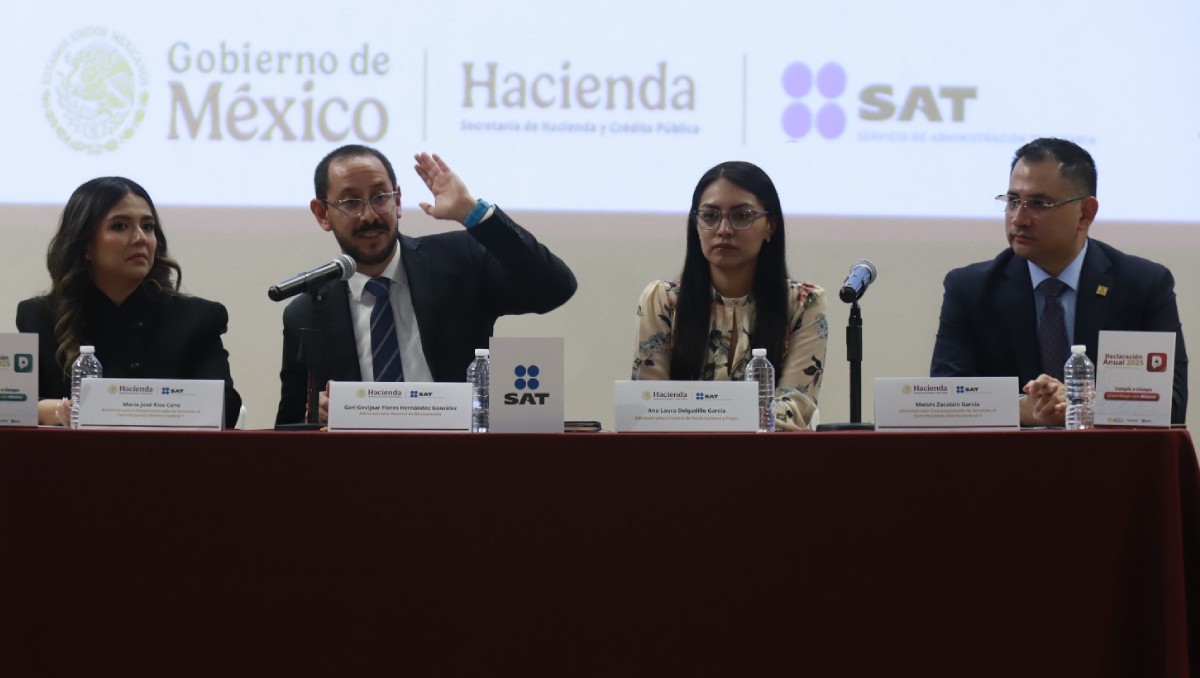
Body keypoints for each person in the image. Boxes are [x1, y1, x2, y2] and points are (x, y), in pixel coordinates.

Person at [275, 145, 577, 425]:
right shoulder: (307, 313)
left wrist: (475, 215)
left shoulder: (460, 261)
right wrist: (313, 416)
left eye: (381, 197)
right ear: (322, 214)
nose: (369, 215)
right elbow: (287, 429)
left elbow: (555, 288)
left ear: (398, 201)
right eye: (351, 202)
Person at [931, 137, 1188, 426]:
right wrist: (1022, 409)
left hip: (1108, 463)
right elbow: (946, 400)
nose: (1019, 218)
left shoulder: (1143, 285)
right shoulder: (971, 289)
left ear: (1085, 213)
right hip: (1005, 464)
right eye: (1013, 201)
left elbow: (1171, 406)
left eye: (1038, 203)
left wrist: (1080, 404)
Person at [16, 177, 243, 428]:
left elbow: (226, 407)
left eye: (148, 227)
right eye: (120, 226)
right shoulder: (40, 315)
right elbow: (12, 404)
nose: (140, 238)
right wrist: (52, 410)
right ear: (86, 245)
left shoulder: (198, 318)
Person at [632, 161, 828, 430]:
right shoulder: (662, 300)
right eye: (710, 216)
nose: (724, 229)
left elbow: (793, 408)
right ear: (695, 224)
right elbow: (649, 407)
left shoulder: (804, 303)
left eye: (742, 215)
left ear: (770, 225)